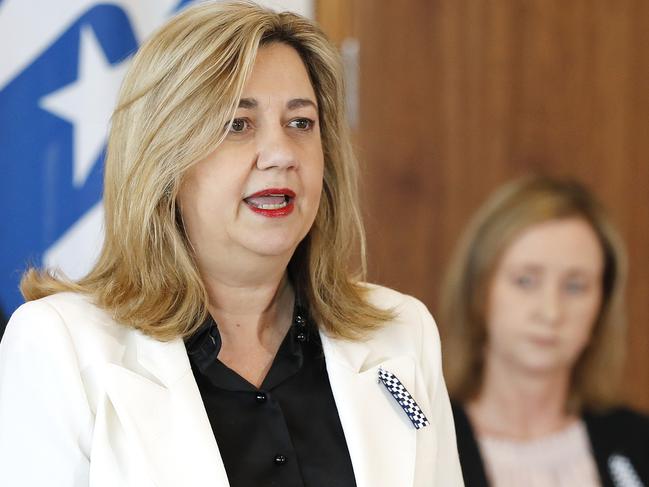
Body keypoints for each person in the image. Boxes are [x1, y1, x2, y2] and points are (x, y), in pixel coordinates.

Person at [0, 2, 463, 486]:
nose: (282, 153)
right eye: (237, 125)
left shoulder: (402, 333)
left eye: (301, 123)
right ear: (165, 159)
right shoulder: (60, 346)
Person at [439, 176, 649, 486]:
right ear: (479, 290)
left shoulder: (637, 442)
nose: (551, 312)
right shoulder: (429, 441)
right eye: (526, 280)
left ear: (602, 307)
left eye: (575, 286)